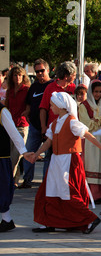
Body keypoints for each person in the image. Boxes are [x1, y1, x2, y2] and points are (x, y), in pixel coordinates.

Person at [30, 92, 101, 233]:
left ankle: (90, 219)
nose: (50, 107)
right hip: (56, 161)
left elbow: (88, 136)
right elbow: (49, 141)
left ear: (61, 106)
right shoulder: (55, 123)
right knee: (50, 190)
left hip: (68, 161)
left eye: (52, 104)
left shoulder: (73, 122)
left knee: (68, 193)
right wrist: (36, 154)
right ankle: (50, 221)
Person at [0, 102, 33, 232]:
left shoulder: (2, 111)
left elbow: (14, 133)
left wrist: (23, 151)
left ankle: (6, 219)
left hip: (1, 158)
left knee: (2, 189)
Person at [39, 61, 77, 175]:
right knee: (49, 156)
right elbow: (43, 108)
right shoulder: (50, 87)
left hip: (69, 131)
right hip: (54, 129)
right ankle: (46, 182)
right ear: (67, 76)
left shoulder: (74, 88)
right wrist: (43, 127)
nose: (75, 77)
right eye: (74, 75)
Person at [20, 59, 52, 189]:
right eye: (37, 71)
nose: (39, 74)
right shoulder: (34, 86)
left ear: (48, 70)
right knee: (29, 153)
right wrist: (27, 113)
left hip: (49, 127)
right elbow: (28, 103)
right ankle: (27, 180)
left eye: (42, 71)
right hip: (34, 126)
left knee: (48, 156)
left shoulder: (53, 85)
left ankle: (45, 183)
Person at [78, 80, 101, 201]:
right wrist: (98, 120)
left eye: (100, 92)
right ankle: (90, 193)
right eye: (95, 91)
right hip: (90, 138)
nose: (98, 94)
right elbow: (85, 122)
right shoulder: (83, 106)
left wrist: (96, 119)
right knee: (91, 162)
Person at [4, 65, 31, 186]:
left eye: (20, 75)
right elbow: (7, 106)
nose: (18, 77)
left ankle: (9, 181)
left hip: (22, 125)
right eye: (15, 75)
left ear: (24, 76)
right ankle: (15, 180)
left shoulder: (26, 90)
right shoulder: (9, 91)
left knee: (16, 155)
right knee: (11, 155)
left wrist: (27, 112)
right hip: (10, 125)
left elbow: (30, 105)